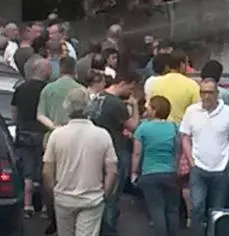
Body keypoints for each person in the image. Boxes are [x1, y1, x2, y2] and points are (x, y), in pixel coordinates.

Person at [42, 88, 118, 236]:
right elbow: (112, 171)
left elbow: (47, 172)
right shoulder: (102, 135)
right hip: (92, 198)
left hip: (63, 197)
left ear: (66, 107)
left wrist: (54, 193)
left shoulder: (57, 135)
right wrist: (105, 194)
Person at [179, 79, 229, 236]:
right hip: (198, 167)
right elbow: (185, 136)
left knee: (217, 210)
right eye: (203, 92)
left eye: (209, 93)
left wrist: (228, 160)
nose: (206, 96)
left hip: (220, 169)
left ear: (217, 94)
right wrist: (191, 160)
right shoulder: (191, 111)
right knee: (197, 206)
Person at [87, 70, 140, 236]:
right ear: (123, 83)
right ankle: (108, 229)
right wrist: (134, 105)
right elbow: (134, 126)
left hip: (95, 150)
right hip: (114, 150)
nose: (131, 93)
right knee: (112, 195)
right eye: (130, 88)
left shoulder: (98, 98)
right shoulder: (117, 104)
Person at [131, 96, 181, 236]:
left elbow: (137, 153)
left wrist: (134, 172)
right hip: (170, 173)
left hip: (149, 173)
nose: (147, 109)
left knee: (156, 209)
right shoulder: (174, 127)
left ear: (154, 110)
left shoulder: (143, 128)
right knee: (172, 210)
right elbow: (177, 151)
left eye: (149, 107)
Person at [12, 58, 51, 218]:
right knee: (44, 170)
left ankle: (27, 206)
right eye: (48, 69)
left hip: (24, 133)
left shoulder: (21, 88)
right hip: (42, 133)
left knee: (27, 171)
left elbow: (14, 112)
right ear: (42, 71)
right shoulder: (48, 89)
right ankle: (43, 207)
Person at [150, 53, 200, 124]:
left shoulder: (156, 84)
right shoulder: (191, 85)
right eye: (186, 63)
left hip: (160, 126)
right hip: (181, 127)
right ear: (181, 64)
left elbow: (151, 106)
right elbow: (197, 110)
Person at [37, 57, 83, 133]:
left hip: (53, 134)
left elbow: (40, 115)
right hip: (75, 134)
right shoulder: (81, 90)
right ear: (75, 70)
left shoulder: (48, 88)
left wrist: (53, 127)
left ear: (60, 69)